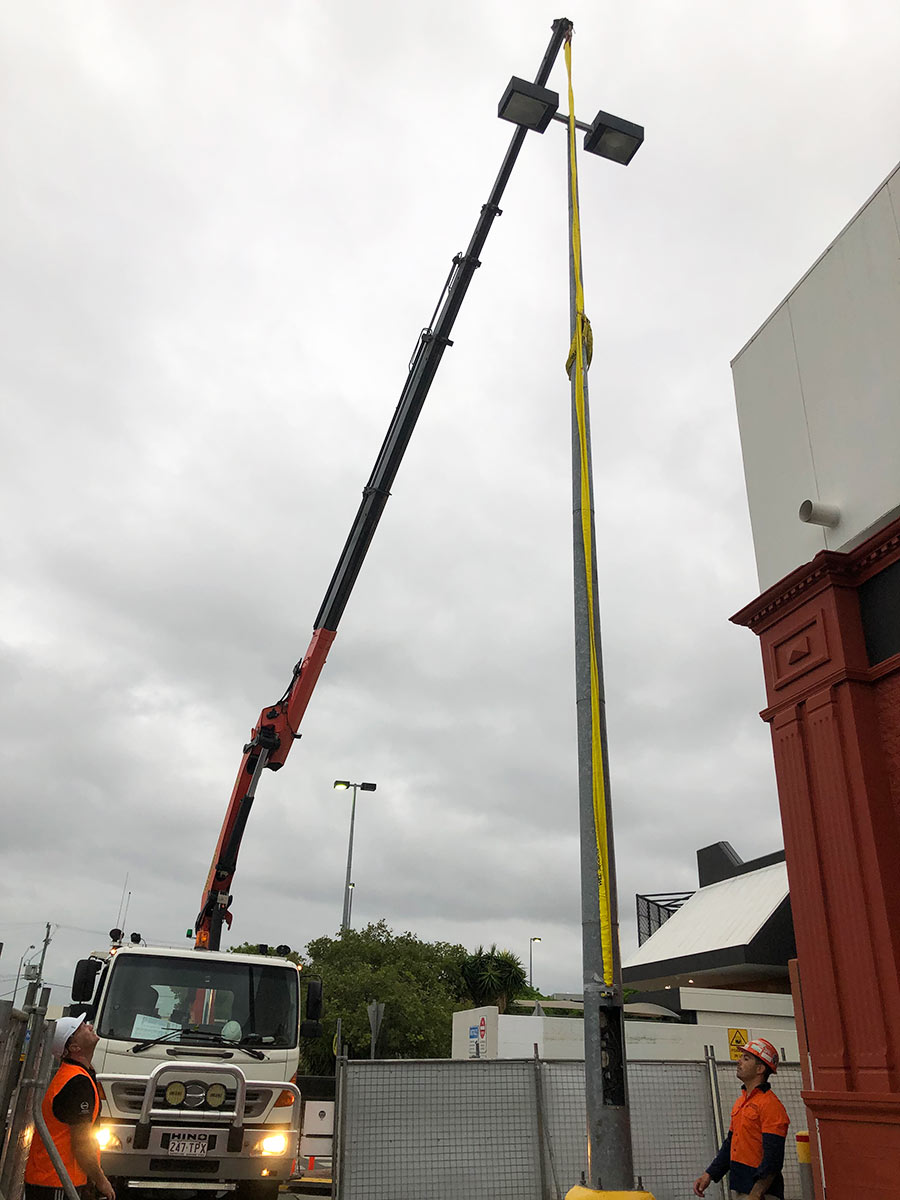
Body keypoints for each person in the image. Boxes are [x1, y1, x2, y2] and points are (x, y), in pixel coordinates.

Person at [24, 1014, 116, 1200]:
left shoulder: (76, 1075)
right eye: (81, 1027)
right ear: (74, 1047)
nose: (89, 1027)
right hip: (57, 1181)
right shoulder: (77, 1082)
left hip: (54, 1179)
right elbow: (81, 1144)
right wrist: (101, 1180)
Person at [693, 1038, 790, 1200]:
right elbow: (731, 1144)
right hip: (743, 1188)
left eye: (746, 1058)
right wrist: (709, 1174)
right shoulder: (741, 1103)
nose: (739, 1062)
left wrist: (756, 1193)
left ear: (760, 1069)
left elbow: (773, 1156)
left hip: (762, 1193)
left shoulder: (770, 1106)